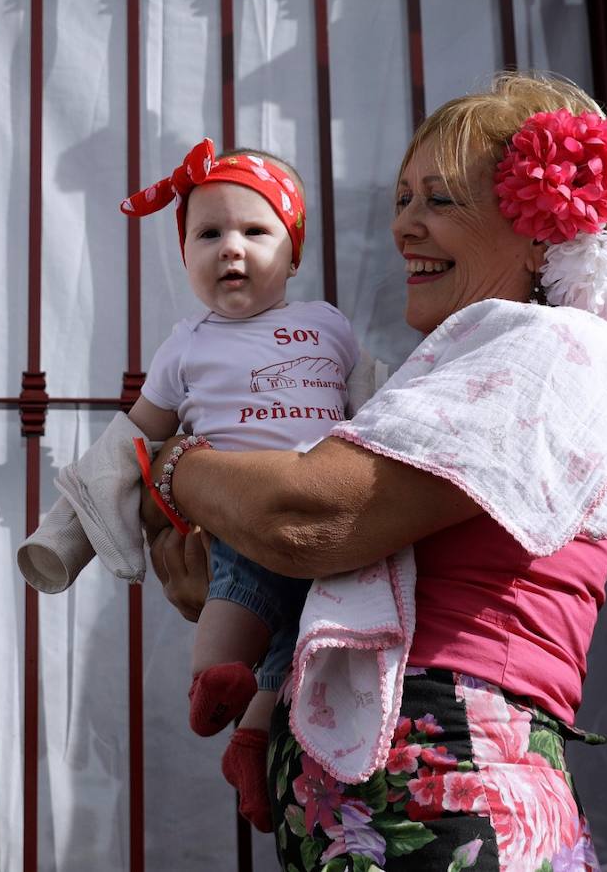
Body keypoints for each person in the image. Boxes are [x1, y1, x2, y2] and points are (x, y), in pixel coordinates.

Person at [143, 71, 607, 870]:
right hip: (403, 792)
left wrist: (167, 460)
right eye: (401, 200)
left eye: (439, 200)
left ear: (538, 231)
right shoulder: (461, 364)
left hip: (450, 776)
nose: (404, 228)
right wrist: (236, 591)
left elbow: (310, 517)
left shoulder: (544, 348)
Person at [120, 139, 358, 833]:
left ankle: (250, 743)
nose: (232, 248)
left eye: (256, 231)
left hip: (330, 525)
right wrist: (124, 504)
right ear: (186, 254)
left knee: (301, 653)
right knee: (238, 596)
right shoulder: (185, 344)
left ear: (295, 250)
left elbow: (369, 403)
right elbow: (135, 436)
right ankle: (213, 678)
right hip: (242, 515)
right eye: (208, 233)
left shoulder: (329, 327)